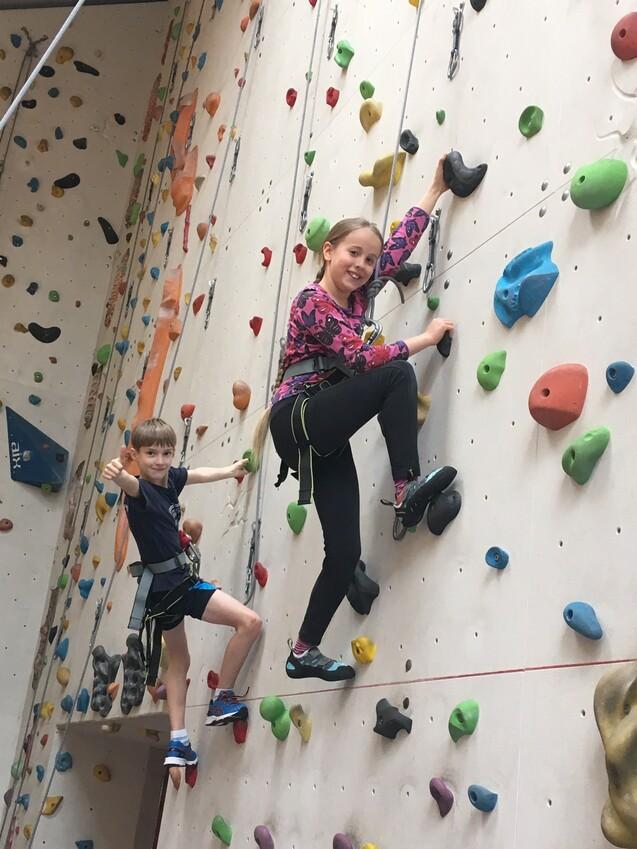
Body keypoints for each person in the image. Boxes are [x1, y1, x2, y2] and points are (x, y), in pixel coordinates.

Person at [251, 155, 456, 683]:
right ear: (328, 251)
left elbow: (401, 242)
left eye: (368, 259)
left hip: (322, 437)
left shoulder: (361, 297)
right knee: (395, 373)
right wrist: (425, 339)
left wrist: (434, 188)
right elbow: (366, 362)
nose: (362, 266)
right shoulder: (311, 303)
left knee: (344, 552)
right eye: (352, 254)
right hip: (297, 418)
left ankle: (303, 650)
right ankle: (407, 489)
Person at [103, 418, 262, 768]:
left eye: (166, 453)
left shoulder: (169, 477)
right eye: (150, 454)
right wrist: (118, 472)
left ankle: (178, 742)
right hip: (178, 586)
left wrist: (230, 470)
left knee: (179, 661)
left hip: (159, 595)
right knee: (249, 623)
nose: (159, 461)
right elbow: (129, 483)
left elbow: (195, 475)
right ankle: (223, 698)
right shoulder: (140, 490)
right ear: (136, 455)